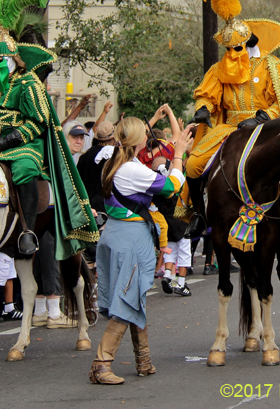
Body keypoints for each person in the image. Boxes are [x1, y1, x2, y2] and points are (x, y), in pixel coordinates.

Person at [0, 0, 97, 257]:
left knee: (24, 170)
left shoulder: (28, 84)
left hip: (20, 146)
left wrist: (6, 140)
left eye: (0, 61)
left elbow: (36, 123)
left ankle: (27, 231)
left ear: (14, 59)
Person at [183, 0, 280, 238]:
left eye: (237, 48)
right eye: (227, 49)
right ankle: (200, 215)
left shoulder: (272, 66)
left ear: (248, 44)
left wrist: (263, 117)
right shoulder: (220, 68)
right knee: (192, 165)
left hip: (265, 128)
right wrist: (203, 109)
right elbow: (207, 94)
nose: (232, 54)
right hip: (230, 128)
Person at [90, 117, 193, 385]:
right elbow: (171, 187)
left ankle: (143, 361)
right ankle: (101, 364)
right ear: (140, 140)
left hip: (114, 233)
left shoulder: (115, 164)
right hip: (130, 238)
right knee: (128, 299)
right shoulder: (131, 170)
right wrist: (179, 154)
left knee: (133, 296)